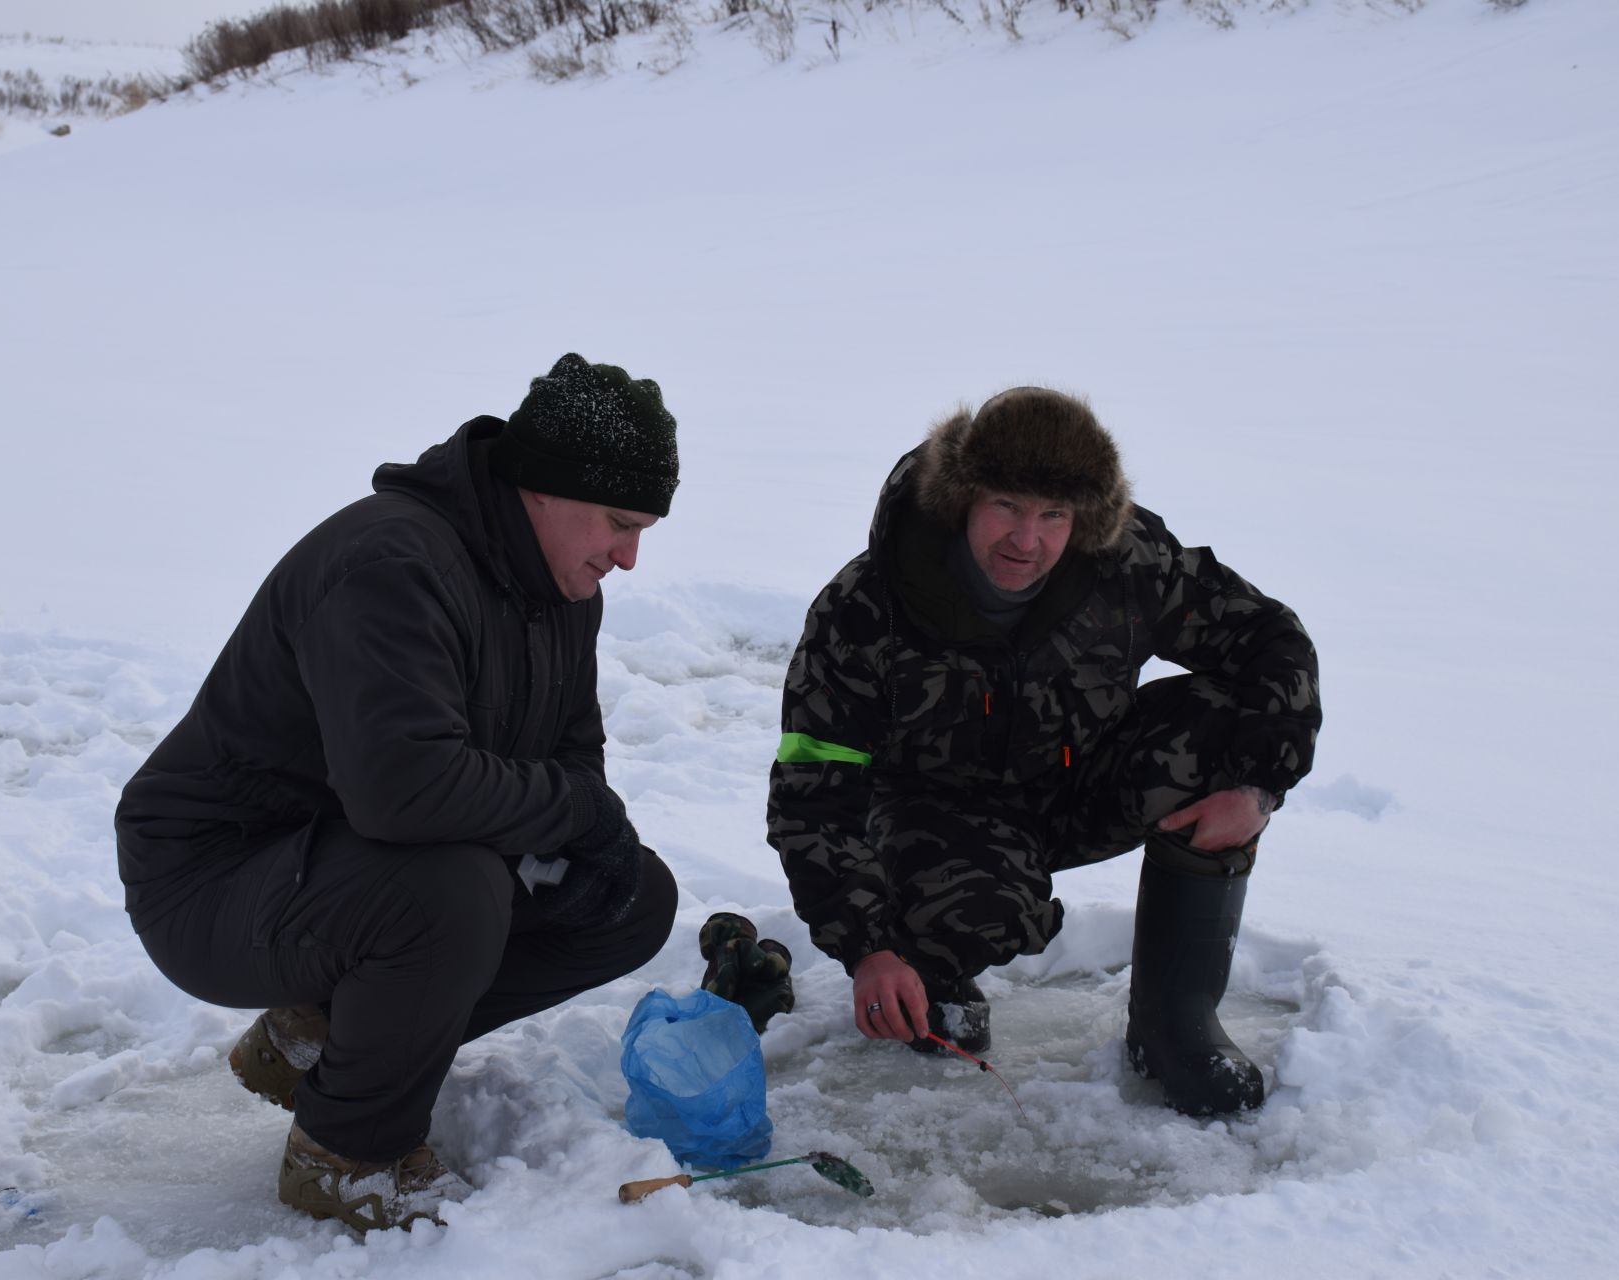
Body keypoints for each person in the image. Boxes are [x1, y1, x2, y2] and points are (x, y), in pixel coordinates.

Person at [115, 354, 682, 1231]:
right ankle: (347, 1151)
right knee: (450, 889)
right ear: (543, 488)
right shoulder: (392, 565)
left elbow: (574, 755)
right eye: (617, 523)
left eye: (644, 529)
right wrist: (576, 811)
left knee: (630, 897)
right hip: (212, 881)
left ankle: (322, 1036)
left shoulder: (563, 590)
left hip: (342, 871)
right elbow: (405, 793)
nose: (630, 556)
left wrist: (588, 826)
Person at [767, 387, 1320, 1116]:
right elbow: (813, 791)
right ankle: (932, 968)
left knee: (1222, 736)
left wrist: (1259, 786)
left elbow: (1271, 640)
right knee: (976, 908)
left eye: (1053, 515)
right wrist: (867, 948)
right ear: (962, 498)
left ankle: (1172, 1025)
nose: (1027, 541)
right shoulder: (866, 607)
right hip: (941, 813)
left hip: (1083, 781)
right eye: (1007, 507)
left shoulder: (1126, 563)